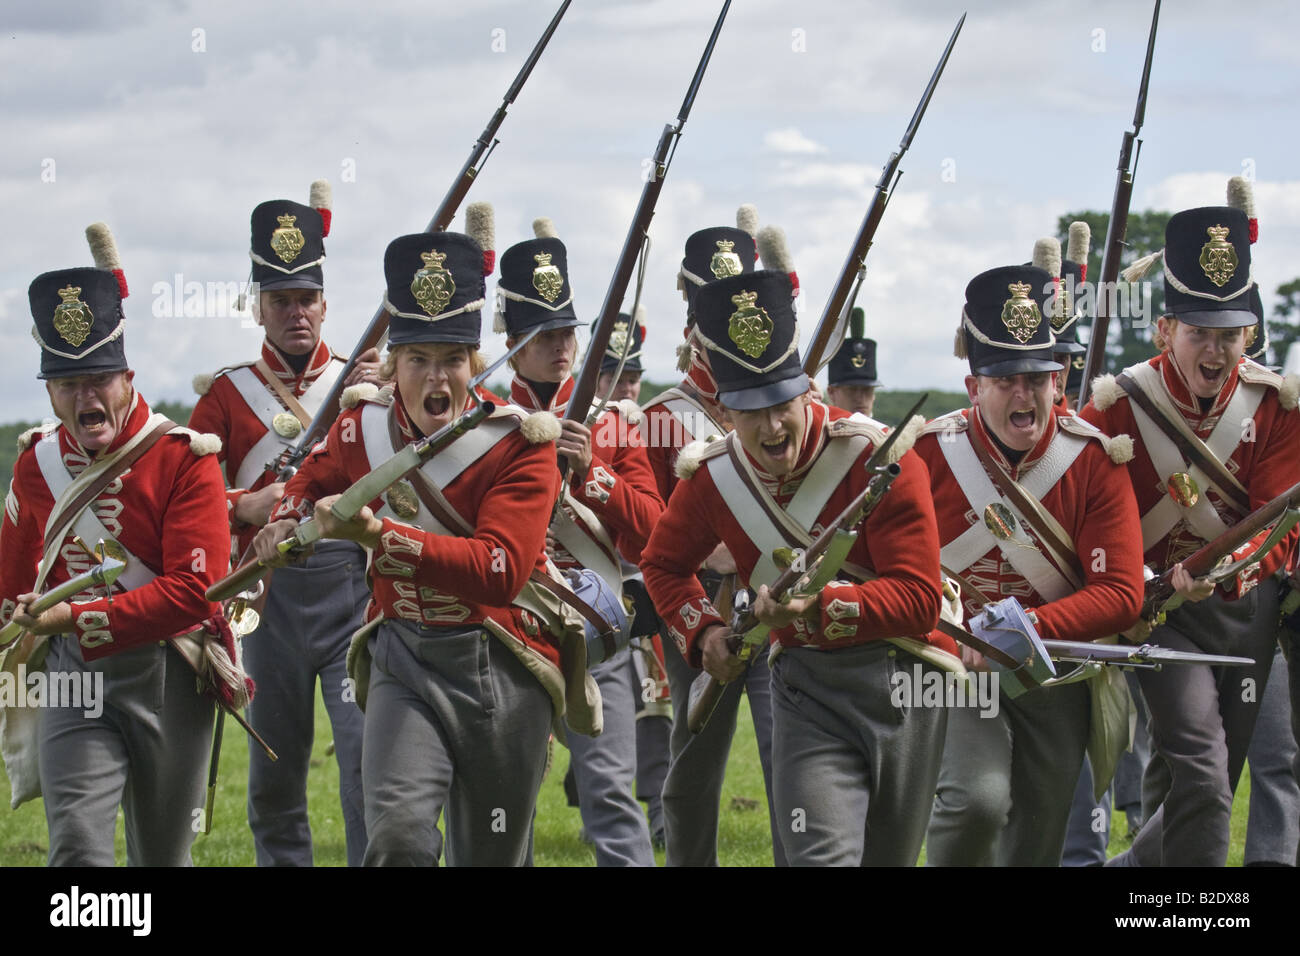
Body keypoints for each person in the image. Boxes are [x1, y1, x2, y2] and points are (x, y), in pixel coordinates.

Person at [255, 228, 593, 866]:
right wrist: (287, 519)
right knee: (399, 838)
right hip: (402, 657)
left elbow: (498, 570)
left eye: (452, 359)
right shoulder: (361, 427)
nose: (437, 378)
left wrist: (384, 537)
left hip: (501, 659)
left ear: (474, 363)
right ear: (393, 365)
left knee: (492, 854)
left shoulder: (522, 443)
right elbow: (312, 477)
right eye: (417, 360)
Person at [641, 269, 949, 866]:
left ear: (809, 391)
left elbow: (919, 599)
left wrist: (821, 604)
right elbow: (662, 565)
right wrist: (704, 632)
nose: (772, 426)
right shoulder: (712, 478)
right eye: (751, 411)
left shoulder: (880, 459)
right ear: (725, 412)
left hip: (904, 681)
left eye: (783, 403)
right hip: (804, 687)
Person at [0, 223, 237, 865]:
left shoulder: (183, 459)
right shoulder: (36, 467)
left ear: (128, 377)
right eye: (70, 383)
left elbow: (194, 593)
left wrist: (74, 615)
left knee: (161, 857)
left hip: (167, 673)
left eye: (100, 377)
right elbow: (13, 588)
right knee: (76, 846)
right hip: (73, 674)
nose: (88, 396)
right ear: (49, 392)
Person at [1081, 204, 1300, 866]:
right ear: (1165, 328)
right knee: (1203, 771)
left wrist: (1233, 567)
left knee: (1200, 781)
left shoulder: (1277, 407)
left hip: (1242, 610)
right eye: (1199, 331)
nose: (1215, 349)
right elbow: (1085, 501)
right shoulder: (1118, 403)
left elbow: (1280, 523)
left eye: (1230, 334)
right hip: (1157, 614)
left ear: (1250, 336)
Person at [916, 263, 1143, 866]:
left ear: (1058, 377)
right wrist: (951, 635)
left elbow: (1121, 593)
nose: (1025, 393)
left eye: (1037, 376)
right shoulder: (928, 455)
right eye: (1006, 379)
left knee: (1040, 839)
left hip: (1054, 669)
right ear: (974, 388)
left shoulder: (1095, 461)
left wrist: (1026, 628)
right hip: (959, 668)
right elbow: (898, 577)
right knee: (976, 801)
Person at [189, 182, 376, 866]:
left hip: (353, 588)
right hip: (264, 601)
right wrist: (244, 505)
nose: (295, 313)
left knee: (365, 763)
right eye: (280, 300)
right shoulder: (224, 394)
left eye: (306, 299)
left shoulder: (366, 386)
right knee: (275, 775)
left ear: (325, 304)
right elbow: (191, 495)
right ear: (258, 305)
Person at [495, 219, 663, 866]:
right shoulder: (485, 425)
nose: (563, 345)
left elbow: (652, 531)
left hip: (599, 624)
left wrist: (594, 475)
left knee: (610, 798)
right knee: (507, 803)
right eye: (546, 334)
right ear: (513, 343)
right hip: (514, 627)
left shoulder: (616, 424)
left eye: (569, 331)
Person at [639, 215, 788, 866]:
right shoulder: (661, 418)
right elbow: (647, 531)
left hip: (774, 604)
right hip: (696, 607)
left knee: (790, 757)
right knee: (694, 758)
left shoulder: (778, 406)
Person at [824, 307, 880, 418]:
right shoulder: (820, 435)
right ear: (831, 392)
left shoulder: (883, 433)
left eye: (867, 390)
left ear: (873, 395)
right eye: (852, 389)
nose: (860, 398)